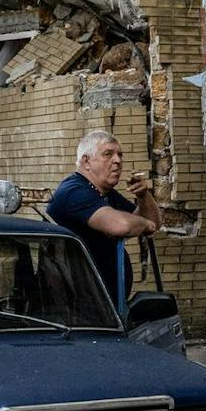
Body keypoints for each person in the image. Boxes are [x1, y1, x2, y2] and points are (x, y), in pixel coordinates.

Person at [48, 130, 160, 313]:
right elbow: (121, 226)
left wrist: (143, 196)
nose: (117, 161)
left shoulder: (106, 194)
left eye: (119, 155)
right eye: (108, 154)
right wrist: (145, 225)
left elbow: (155, 223)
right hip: (77, 309)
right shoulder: (74, 191)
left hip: (103, 306)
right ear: (86, 162)